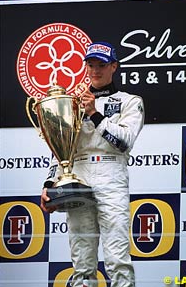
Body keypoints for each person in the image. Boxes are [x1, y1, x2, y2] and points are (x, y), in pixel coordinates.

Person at [41, 41, 145, 287]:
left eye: (102, 65)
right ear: (85, 67)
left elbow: (123, 142)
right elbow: (61, 148)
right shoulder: (71, 103)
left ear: (114, 67)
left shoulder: (129, 101)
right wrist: (49, 184)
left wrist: (95, 114)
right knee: (82, 259)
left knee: (117, 257)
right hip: (78, 175)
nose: (95, 70)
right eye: (90, 65)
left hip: (112, 173)